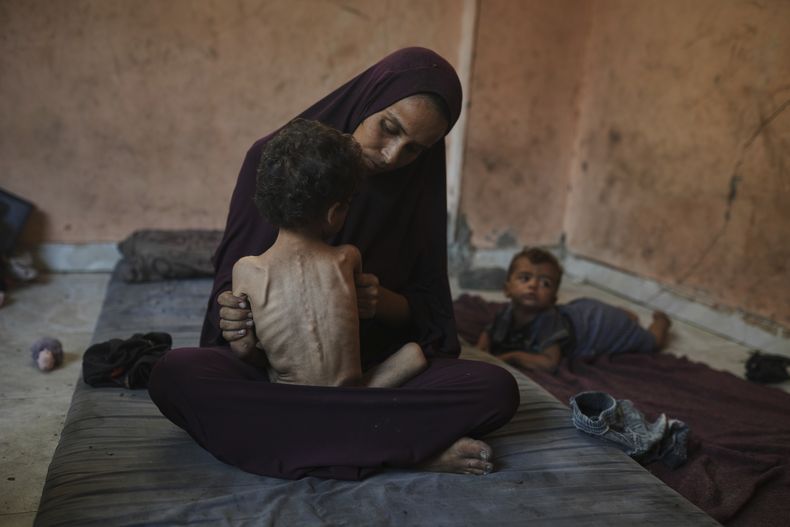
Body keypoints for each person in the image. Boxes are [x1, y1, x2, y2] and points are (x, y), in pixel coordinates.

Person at [148, 47, 520, 481]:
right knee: (174, 375)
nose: (391, 156)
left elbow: (431, 317)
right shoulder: (275, 162)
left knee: (495, 389)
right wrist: (234, 316)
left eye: (415, 150)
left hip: (369, 366)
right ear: (369, 99)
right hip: (278, 373)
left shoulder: (415, 190)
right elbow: (227, 298)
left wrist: (380, 302)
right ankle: (401, 450)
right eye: (389, 128)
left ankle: (310, 440)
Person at [231, 118, 426, 387]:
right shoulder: (347, 258)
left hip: (289, 399)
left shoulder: (246, 269)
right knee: (415, 354)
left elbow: (243, 349)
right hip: (350, 394)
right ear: (334, 213)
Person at [477, 247, 671, 372]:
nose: (533, 285)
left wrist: (512, 357)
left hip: (600, 327)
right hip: (583, 311)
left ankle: (660, 323)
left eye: (545, 283)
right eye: (525, 278)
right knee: (603, 312)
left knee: (651, 343)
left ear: (553, 299)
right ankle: (624, 314)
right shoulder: (506, 313)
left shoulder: (548, 322)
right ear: (507, 289)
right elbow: (489, 330)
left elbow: (549, 362)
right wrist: (481, 346)